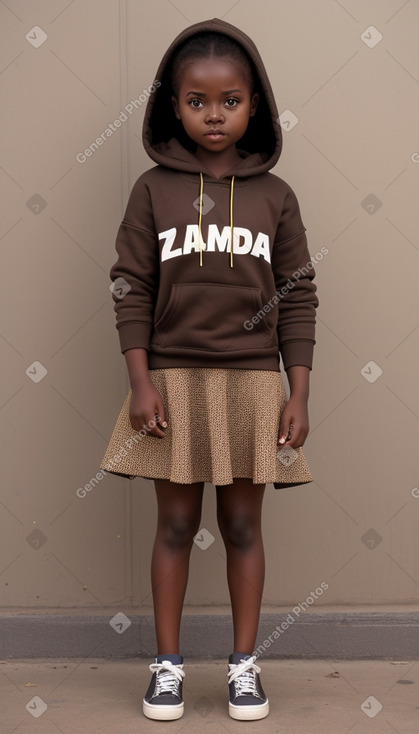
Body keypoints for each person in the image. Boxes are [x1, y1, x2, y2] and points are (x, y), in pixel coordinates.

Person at [100, 17, 318, 722]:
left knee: (244, 527)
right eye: (196, 101)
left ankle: (243, 667)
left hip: (254, 381)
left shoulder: (275, 195)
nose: (214, 114)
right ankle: (166, 668)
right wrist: (140, 380)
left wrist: (297, 391)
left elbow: (299, 294)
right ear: (174, 105)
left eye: (229, 100)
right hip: (171, 379)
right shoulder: (151, 190)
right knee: (172, 525)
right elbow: (129, 284)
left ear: (254, 103)